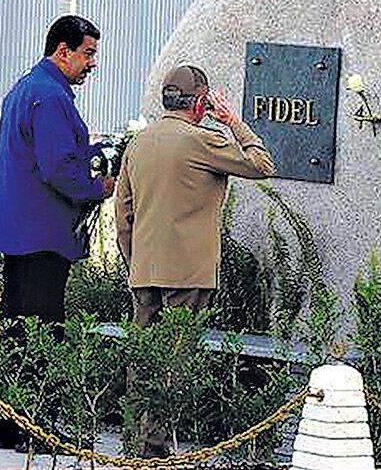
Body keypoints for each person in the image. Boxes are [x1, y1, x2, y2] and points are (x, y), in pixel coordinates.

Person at [115, 64, 274, 456]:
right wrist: (235, 122)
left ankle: (138, 444)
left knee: (142, 358)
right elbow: (262, 165)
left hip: (145, 269)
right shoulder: (203, 141)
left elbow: (123, 213)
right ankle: (156, 450)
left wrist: (135, 260)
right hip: (189, 272)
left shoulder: (140, 142)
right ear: (201, 101)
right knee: (175, 358)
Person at [0, 15, 116, 451]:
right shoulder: (50, 97)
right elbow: (59, 168)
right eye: (88, 53)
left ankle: (8, 427)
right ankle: (37, 429)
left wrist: (99, 150)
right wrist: (100, 187)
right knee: (42, 331)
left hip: (19, 230)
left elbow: (54, 154)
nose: (92, 63)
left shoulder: (27, 88)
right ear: (63, 51)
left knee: (16, 328)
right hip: (43, 231)